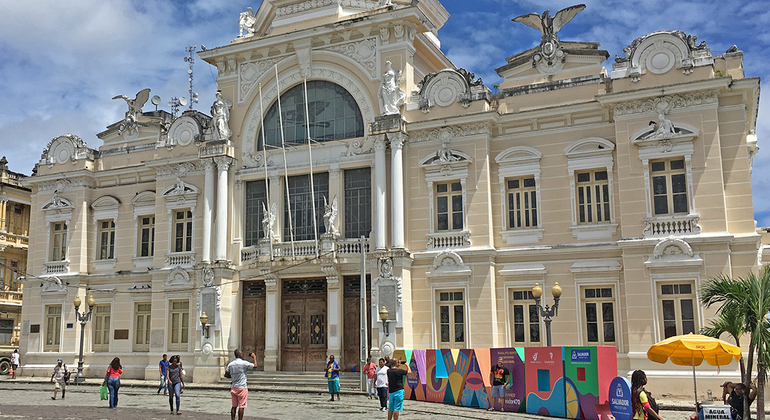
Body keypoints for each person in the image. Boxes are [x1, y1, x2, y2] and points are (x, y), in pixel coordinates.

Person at [225, 349, 258, 420]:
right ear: (240, 355)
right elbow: (255, 366)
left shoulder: (230, 364)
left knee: (234, 406)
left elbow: (226, 375)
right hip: (242, 387)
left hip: (234, 387)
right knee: (241, 406)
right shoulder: (243, 363)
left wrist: (233, 376)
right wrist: (254, 358)